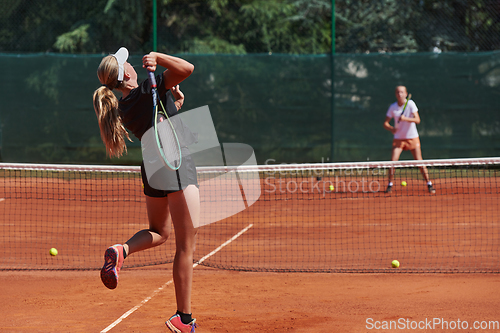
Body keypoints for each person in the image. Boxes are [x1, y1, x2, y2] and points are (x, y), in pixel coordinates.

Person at [92, 47, 199, 333]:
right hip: (176, 163)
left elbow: (160, 121)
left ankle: (122, 249)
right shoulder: (149, 86)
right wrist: (159, 57)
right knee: (185, 247)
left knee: (160, 232)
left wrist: (174, 104)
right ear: (126, 73)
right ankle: (183, 318)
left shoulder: (123, 108)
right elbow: (187, 68)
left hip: (152, 165)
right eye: (127, 64)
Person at [383, 85, 436, 194]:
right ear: (395, 94)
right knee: (393, 162)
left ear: (406, 94)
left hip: (412, 137)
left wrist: (405, 119)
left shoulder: (411, 104)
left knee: (420, 162)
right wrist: (392, 129)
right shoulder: (393, 107)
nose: (400, 94)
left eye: (402, 92)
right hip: (398, 139)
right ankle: (390, 185)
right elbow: (385, 123)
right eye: (397, 92)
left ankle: (429, 184)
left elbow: (417, 120)